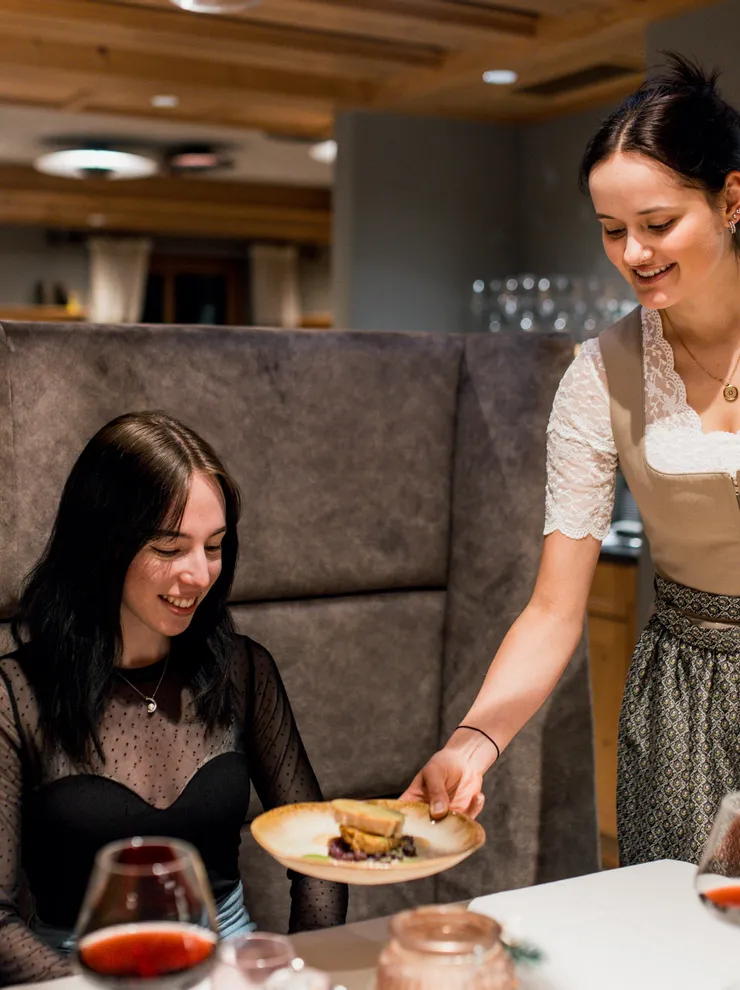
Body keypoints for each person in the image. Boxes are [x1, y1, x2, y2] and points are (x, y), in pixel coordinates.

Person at [403, 54, 740, 867]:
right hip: (684, 703)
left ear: (732, 200)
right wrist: (473, 743)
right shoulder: (601, 373)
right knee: (684, 941)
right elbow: (554, 609)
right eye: (612, 229)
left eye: (658, 225)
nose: (634, 253)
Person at [0, 411, 347, 985]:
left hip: (227, 968)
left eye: (213, 547)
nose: (199, 574)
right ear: (102, 547)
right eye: (169, 548)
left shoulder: (243, 668)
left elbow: (321, 854)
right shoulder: (15, 697)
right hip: (76, 976)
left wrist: (292, 971)